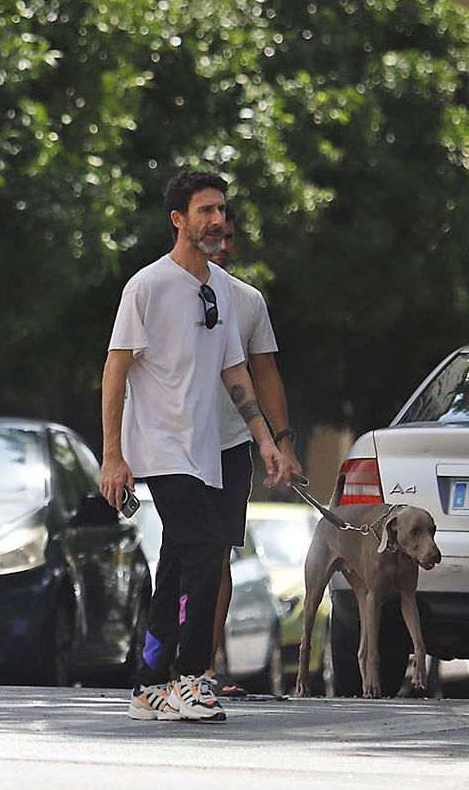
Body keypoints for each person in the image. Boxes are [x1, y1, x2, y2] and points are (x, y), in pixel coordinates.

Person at [99, 171, 293, 723]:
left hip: (204, 448)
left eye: (221, 210)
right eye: (205, 210)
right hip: (159, 449)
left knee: (177, 563)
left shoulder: (221, 292)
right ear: (178, 219)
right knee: (208, 549)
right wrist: (113, 455)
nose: (217, 220)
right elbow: (115, 372)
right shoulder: (147, 286)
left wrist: (266, 440)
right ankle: (190, 677)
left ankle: (148, 683)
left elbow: (237, 370)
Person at [202, 205, 296, 699]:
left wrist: (282, 443)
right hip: (175, 447)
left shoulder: (247, 301)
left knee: (218, 558)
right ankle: (167, 662)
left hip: (231, 444)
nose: (220, 242)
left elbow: (266, 374)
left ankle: (205, 668)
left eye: (228, 235)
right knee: (183, 555)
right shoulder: (157, 288)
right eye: (212, 231)